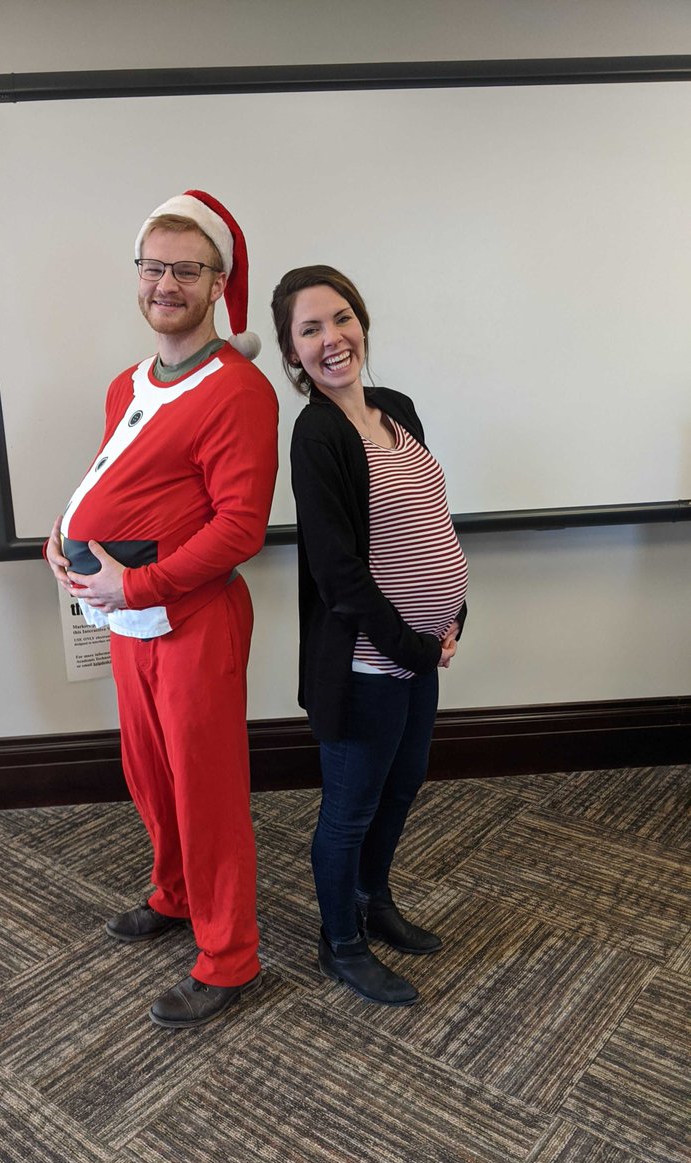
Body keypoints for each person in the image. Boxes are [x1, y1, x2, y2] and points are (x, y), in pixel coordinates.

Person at [46, 191, 278, 1029]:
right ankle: (175, 895)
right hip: (129, 622)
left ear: (219, 282)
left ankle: (229, 957)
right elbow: (112, 475)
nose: (165, 284)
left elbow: (239, 527)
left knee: (206, 788)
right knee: (150, 775)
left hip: (190, 619)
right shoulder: (128, 382)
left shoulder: (239, 390)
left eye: (187, 269)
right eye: (153, 267)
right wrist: (64, 532)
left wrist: (133, 584)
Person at [271, 265, 467, 1006]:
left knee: (402, 788)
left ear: (362, 323)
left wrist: (453, 613)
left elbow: (424, 521)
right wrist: (415, 646)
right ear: (293, 354)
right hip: (367, 663)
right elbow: (340, 575)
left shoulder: (396, 410)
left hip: (422, 654)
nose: (332, 339)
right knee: (350, 808)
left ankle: (373, 901)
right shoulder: (316, 435)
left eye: (341, 318)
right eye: (310, 329)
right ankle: (339, 943)